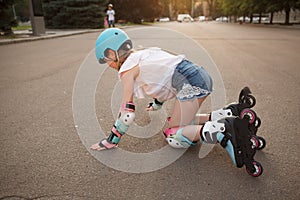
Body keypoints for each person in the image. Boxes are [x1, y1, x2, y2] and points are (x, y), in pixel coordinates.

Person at [90, 28, 264, 176]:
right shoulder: (142, 54)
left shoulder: (127, 69)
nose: (108, 65)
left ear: (112, 53)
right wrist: (157, 104)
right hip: (197, 76)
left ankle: (222, 130)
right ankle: (231, 114)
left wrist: (112, 140)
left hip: (190, 81)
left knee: (173, 135)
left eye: (106, 61)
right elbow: (162, 80)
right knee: (178, 123)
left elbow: (127, 113)